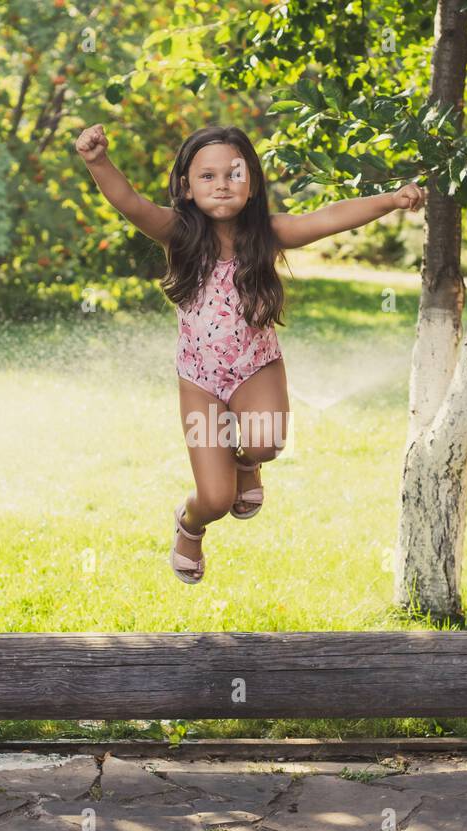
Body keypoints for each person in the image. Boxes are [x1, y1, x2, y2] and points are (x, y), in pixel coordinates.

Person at [76, 123, 424, 583]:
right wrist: (98, 161)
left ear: (252, 183)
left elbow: (328, 217)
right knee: (217, 499)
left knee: (266, 444)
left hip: (256, 365)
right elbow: (129, 202)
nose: (222, 184)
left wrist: (389, 201)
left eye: (234, 174)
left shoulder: (269, 232)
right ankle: (189, 524)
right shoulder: (176, 232)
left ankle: (247, 463)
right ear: (185, 186)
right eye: (208, 176)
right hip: (200, 379)